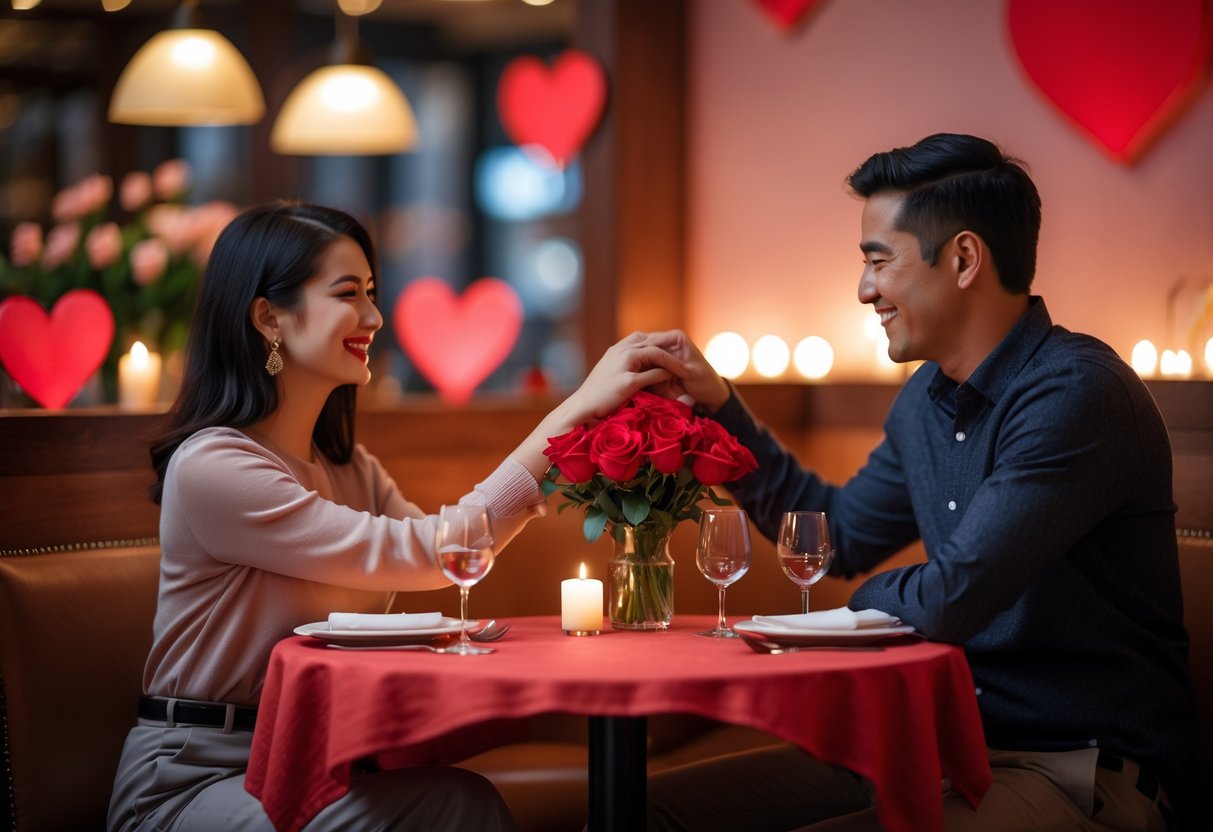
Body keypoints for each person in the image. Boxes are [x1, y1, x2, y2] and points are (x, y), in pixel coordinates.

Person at [638, 134, 1195, 831]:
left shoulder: (1075, 394)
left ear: (962, 259)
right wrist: (721, 406)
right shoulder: (925, 399)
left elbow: (952, 596)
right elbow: (834, 536)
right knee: (648, 812)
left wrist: (870, 600)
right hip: (936, 748)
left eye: (878, 260)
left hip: (1077, 770)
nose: (864, 288)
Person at [107, 200, 685, 832]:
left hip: (322, 760)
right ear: (268, 316)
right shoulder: (213, 467)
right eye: (348, 293)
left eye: (373, 292)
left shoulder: (350, 468)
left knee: (462, 796)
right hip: (194, 779)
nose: (375, 317)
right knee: (453, 805)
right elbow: (432, 552)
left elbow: (439, 574)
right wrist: (567, 419)